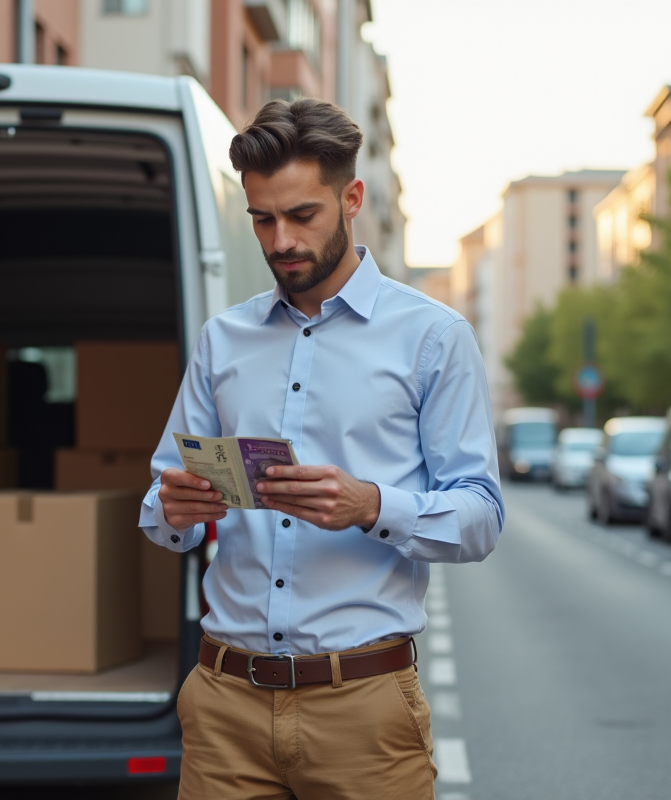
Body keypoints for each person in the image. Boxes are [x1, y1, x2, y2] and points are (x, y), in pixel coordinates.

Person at [140, 97, 504, 800]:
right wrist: (176, 505)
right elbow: (161, 511)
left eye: (301, 216)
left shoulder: (433, 337)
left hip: (364, 711)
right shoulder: (223, 340)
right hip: (225, 705)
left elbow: (481, 517)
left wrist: (372, 505)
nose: (280, 241)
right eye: (262, 219)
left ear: (352, 198)